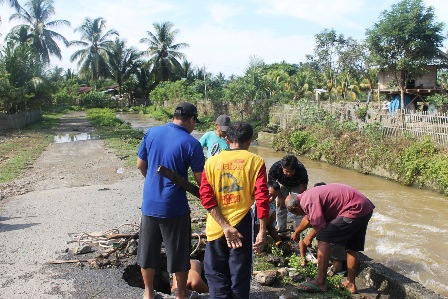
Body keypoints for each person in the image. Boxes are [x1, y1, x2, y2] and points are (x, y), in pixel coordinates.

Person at [136, 102, 205, 299]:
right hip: (175, 208)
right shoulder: (192, 143)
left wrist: (152, 182)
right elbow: (202, 182)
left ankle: (148, 294)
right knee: (179, 254)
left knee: (148, 253)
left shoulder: (152, 133)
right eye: (194, 122)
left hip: (149, 205)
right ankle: (181, 294)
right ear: (191, 119)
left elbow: (140, 165)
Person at [199, 121, 270, 298]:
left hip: (216, 226)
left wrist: (224, 226)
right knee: (239, 275)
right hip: (242, 226)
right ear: (250, 141)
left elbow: (206, 198)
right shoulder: (256, 161)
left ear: (227, 138)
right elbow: (262, 198)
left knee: (215, 275)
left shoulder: (211, 162)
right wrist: (262, 231)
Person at [285, 183, 375, 294]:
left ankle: (320, 282)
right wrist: (297, 232)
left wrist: (309, 237)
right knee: (352, 247)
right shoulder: (307, 196)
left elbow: (319, 226)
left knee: (323, 237)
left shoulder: (307, 201)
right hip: (364, 207)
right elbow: (308, 218)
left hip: (353, 209)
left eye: (296, 213)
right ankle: (351, 284)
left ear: (295, 207)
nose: (300, 215)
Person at [268, 155, 308, 235]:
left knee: (297, 207)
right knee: (280, 206)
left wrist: (299, 198)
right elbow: (271, 184)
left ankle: (298, 232)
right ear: (282, 167)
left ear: (295, 168)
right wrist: (280, 196)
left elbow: (304, 186)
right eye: (286, 171)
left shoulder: (300, 168)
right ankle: (281, 231)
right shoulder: (276, 167)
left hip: (297, 186)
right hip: (283, 185)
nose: (289, 173)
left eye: (291, 171)